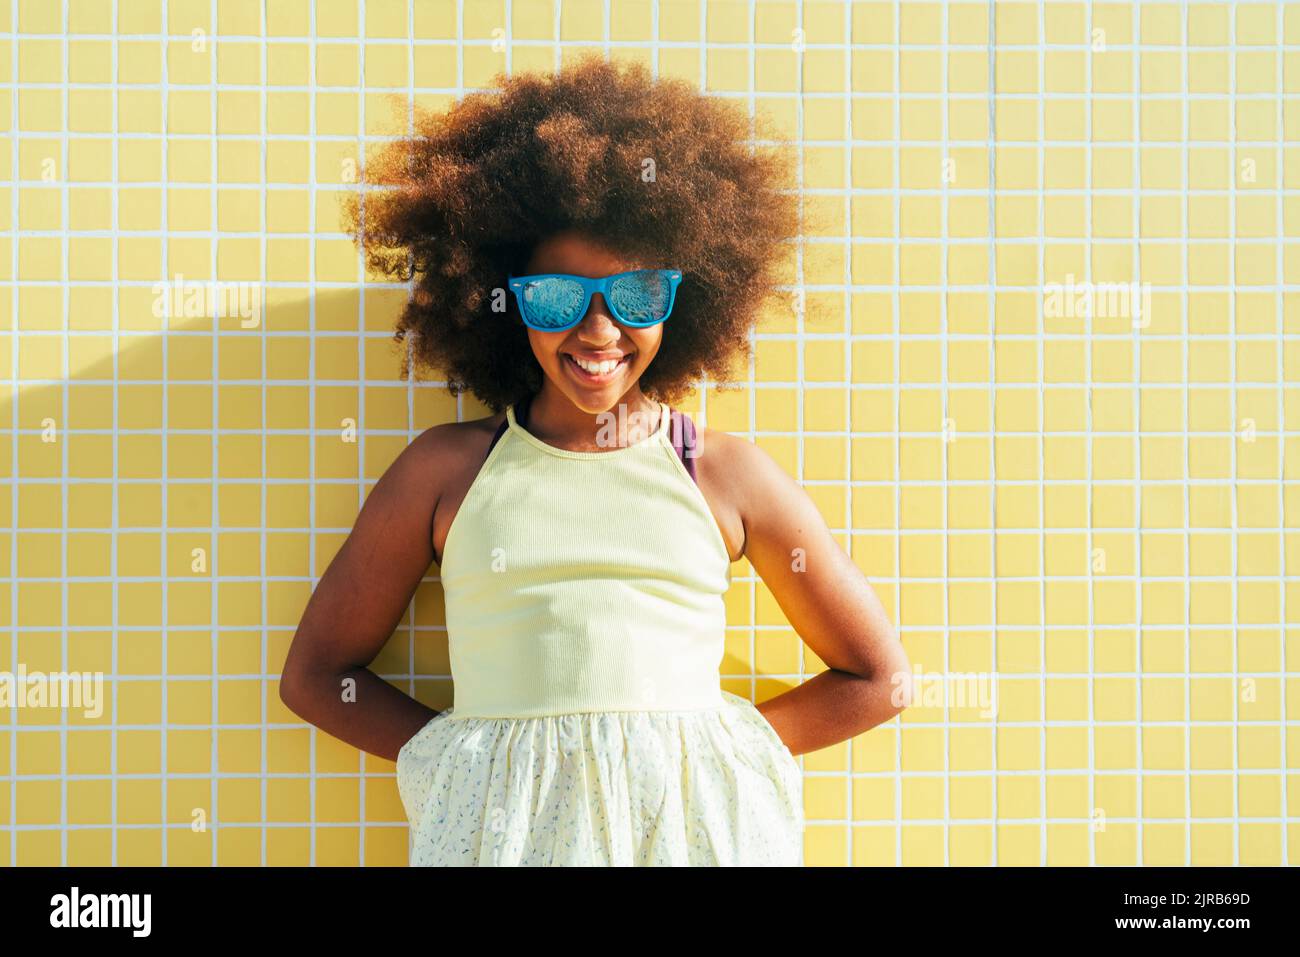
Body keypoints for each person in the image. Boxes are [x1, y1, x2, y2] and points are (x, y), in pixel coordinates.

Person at [279, 54, 909, 866]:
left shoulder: (721, 474)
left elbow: (880, 678)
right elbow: (317, 674)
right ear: (505, 300)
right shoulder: (446, 474)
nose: (599, 331)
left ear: (685, 302)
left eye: (637, 295)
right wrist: (457, 758)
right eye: (555, 296)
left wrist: (723, 748)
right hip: (503, 837)